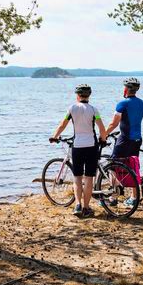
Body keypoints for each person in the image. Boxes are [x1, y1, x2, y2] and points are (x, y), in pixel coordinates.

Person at [50, 84, 107, 218]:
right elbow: (101, 128)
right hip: (91, 146)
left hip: (77, 147)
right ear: (89, 96)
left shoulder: (72, 109)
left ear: (78, 96)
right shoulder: (94, 110)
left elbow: (62, 124)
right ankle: (86, 208)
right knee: (88, 178)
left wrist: (55, 136)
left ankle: (77, 205)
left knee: (77, 178)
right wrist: (103, 139)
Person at [105, 77, 143, 207]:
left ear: (126, 89)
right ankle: (134, 198)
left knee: (111, 165)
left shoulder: (123, 103)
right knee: (133, 166)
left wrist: (103, 134)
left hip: (125, 139)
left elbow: (114, 123)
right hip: (137, 138)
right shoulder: (141, 103)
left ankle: (113, 197)